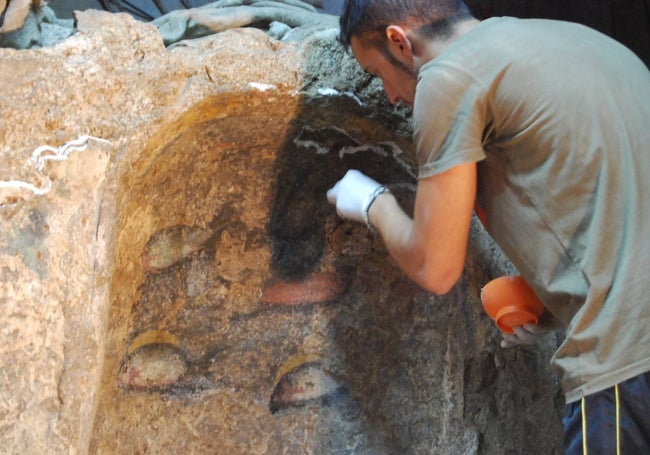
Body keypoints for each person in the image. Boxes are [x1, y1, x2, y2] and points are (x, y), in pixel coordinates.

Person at [326, 0, 650, 453]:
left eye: (379, 74)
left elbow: (434, 268)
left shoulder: (448, 76)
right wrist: (554, 296)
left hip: (625, 360)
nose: (391, 97)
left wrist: (374, 203)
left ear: (399, 41)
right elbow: (619, 200)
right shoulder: (578, 42)